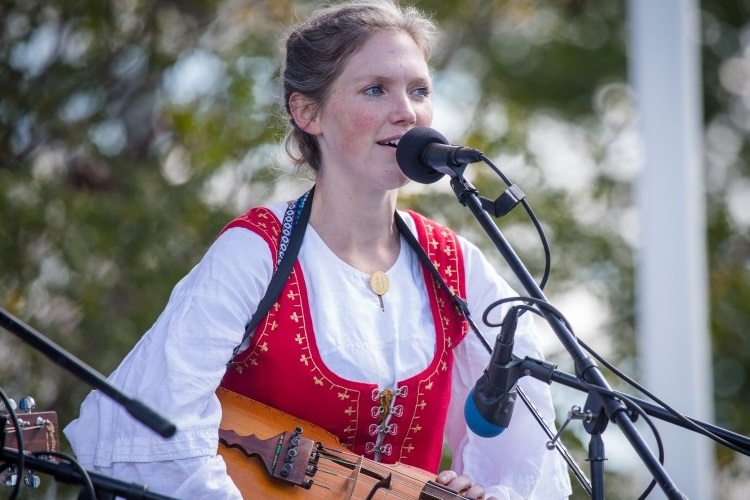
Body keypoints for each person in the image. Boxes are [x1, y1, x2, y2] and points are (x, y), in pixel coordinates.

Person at [64, 1, 573, 498]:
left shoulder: (459, 268)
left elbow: (524, 461)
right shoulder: (257, 252)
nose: (406, 113)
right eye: (376, 89)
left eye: (419, 91)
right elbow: (157, 419)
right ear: (308, 112)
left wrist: (477, 492)